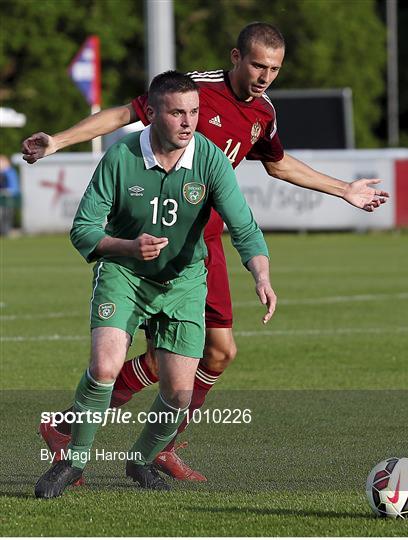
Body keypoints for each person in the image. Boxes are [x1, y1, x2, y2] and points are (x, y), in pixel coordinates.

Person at [23, 22, 389, 482]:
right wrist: (57, 140)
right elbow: (121, 117)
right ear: (236, 58)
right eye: (258, 64)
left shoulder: (263, 112)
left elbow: (277, 164)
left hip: (202, 245)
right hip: (153, 240)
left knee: (215, 354)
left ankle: (147, 442)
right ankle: (90, 433)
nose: (264, 76)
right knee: (180, 354)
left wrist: (342, 190)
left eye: (274, 69)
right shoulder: (193, 92)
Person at [34, 70, 276, 499]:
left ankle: (141, 460)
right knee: (105, 366)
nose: (188, 122)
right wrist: (127, 246)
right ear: (152, 113)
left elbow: (245, 227)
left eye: (195, 112)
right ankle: (72, 461)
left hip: (184, 282)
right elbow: (83, 229)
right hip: (123, 275)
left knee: (180, 394)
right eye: (177, 112)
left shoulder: (210, 160)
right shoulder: (120, 156)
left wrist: (261, 274)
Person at [0, 155, 20, 236]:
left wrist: (7, 191)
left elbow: (14, 187)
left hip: (8, 198)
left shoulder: (10, 172)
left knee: (8, 215)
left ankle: (6, 231)